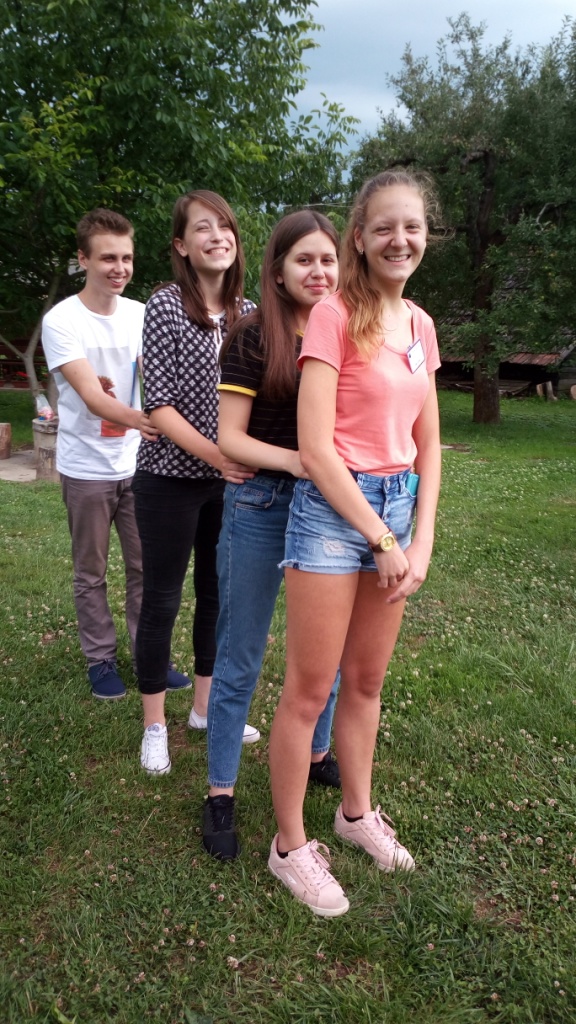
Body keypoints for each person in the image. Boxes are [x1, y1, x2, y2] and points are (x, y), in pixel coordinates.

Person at [267, 169, 444, 916]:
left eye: (413, 227)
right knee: (310, 690)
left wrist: (419, 538)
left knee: (367, 683)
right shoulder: (333, 315)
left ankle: (355, 814)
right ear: (361, 238)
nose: (400, 240)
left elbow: (428, 443)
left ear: (426, 235)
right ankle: (288, 847)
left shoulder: (422, 325)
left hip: (396, 509)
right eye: (385, 228)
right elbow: (314, 447)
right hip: (335, 515)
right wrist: (379, 536)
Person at [202, 211, 342, 861]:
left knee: (326, 655)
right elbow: (229, 437)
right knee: (241, 655)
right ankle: (220, 791)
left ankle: (317, 752)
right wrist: (300, 461)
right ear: (279, 271)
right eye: (303, 260)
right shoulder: (253, 337)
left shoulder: (346, 330)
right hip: (260, 504)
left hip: (328, 508)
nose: (318, 271)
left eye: (327, 260)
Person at [133, 190, 259, 775]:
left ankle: (204, 710)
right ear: (182, 246)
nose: (217, 236)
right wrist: (220, 456)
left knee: (217, 596)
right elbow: (158, 405)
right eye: (202, 228)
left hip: (226, 485)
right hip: (168, 480)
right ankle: (154, 724)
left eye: (224, 227)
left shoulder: (249, 313)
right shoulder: (164, 305)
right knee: (162, 598)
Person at [42, 208, 191, 700]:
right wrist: (151, 421)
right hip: (86, 467)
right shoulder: (62, 320)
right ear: (83, 259)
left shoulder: (141, 314)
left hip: (139, 466)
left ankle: (149, 655)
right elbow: (91, 395)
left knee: (147, 568)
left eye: (126, 258)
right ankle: (100, 659)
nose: (120, 268)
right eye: (108, 258)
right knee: (91, 572)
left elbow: (161, 376)